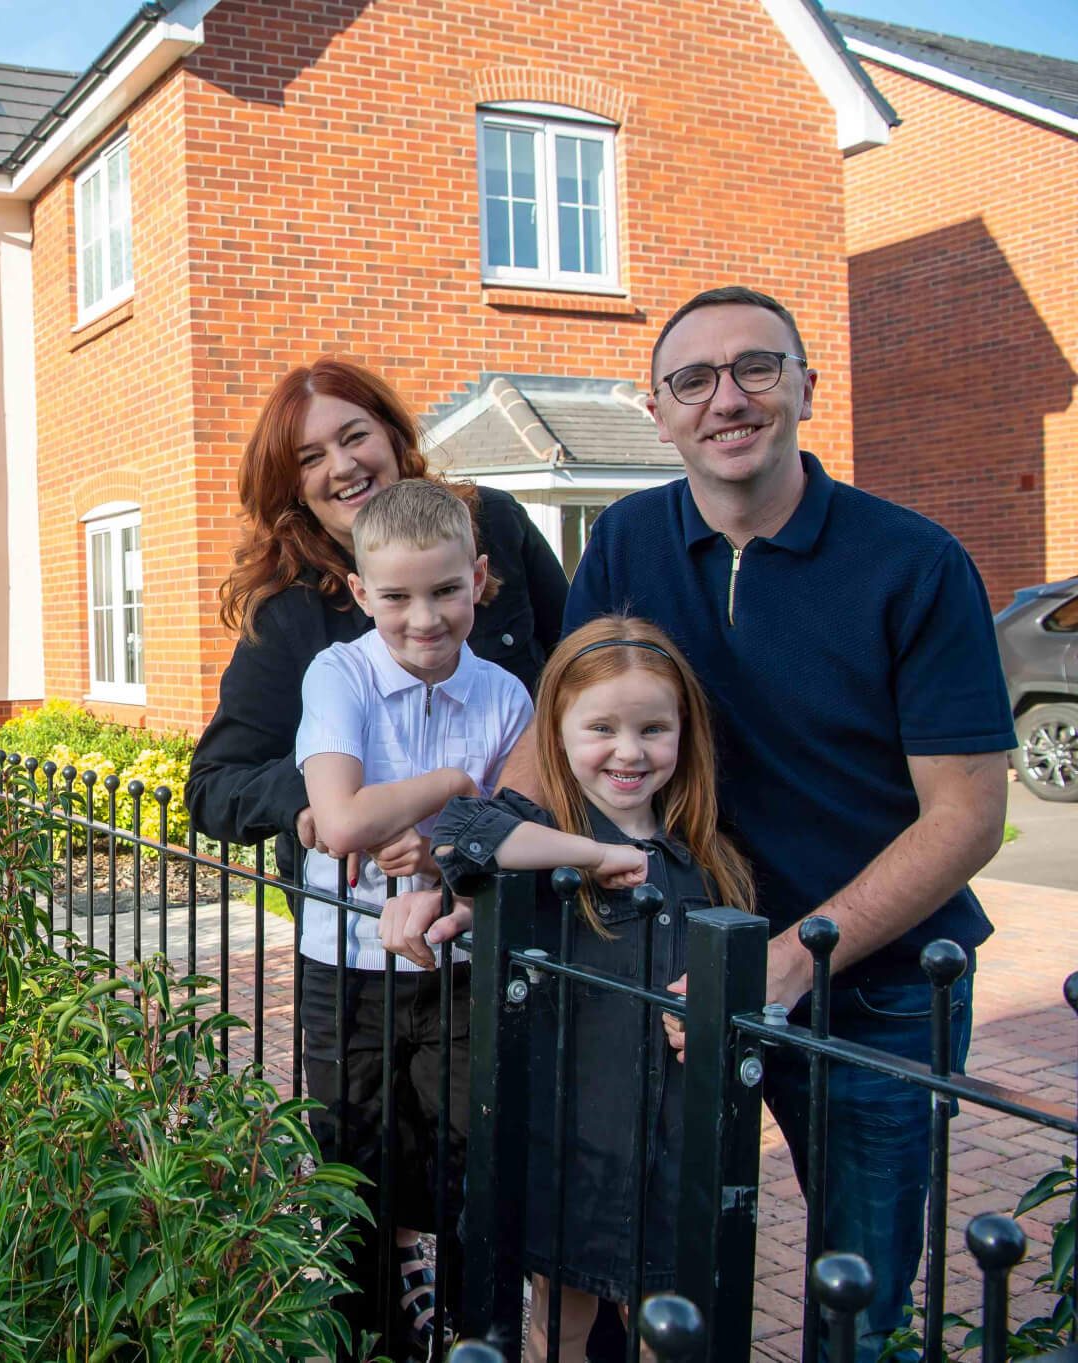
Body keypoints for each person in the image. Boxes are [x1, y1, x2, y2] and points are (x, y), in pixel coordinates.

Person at [558, 286, 1013, 1360]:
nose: (727, 398)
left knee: (857, 1298)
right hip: (676, 974)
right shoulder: (624, 541)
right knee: (655, 1260)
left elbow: (968, 815)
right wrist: (463, 859)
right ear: (657, 413)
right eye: (693, 379)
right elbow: (562, 733)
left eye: (755, 367)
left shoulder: (914, 563)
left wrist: (795, 957)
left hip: (875, 988)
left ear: (805, 385)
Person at [187, 356, 568, 1358]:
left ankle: (477, 1328)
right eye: (309, 456)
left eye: (353, 434)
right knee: (360, 1159)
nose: (340, 463)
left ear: (393, 434)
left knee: (486, 1153)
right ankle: (386, 1323)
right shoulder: (294, 617)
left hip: (491, 921)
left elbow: (567, 688)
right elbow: (215, 786)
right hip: (352, 941)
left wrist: (469, 826)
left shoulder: (493, 529)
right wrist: (325, 805)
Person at [427, 616, 754, 1363]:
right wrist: (595, 853)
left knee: (669, 1329)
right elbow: (461, 832)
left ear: (685, 733)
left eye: (653, 729)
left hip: (673, 1148)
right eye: (601, 727)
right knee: (560, 1326)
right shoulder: (547, 841)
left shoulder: (706, 855)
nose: (629, 751)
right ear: (558, 732)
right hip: (572, 1142)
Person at [293, 478, 537, 1357]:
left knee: (468, 1153)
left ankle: (471, 1334)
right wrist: (455, 787)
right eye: (396, 596)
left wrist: (438, 848)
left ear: (480, 579)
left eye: (445, 590)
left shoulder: (508, 698)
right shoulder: (340, 673)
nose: (423, 618)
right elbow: (344, 821)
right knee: (353, 1154)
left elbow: (517, 834)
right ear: (362, 593)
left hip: (458, 963)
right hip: (346, 963)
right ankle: (366, 1336)